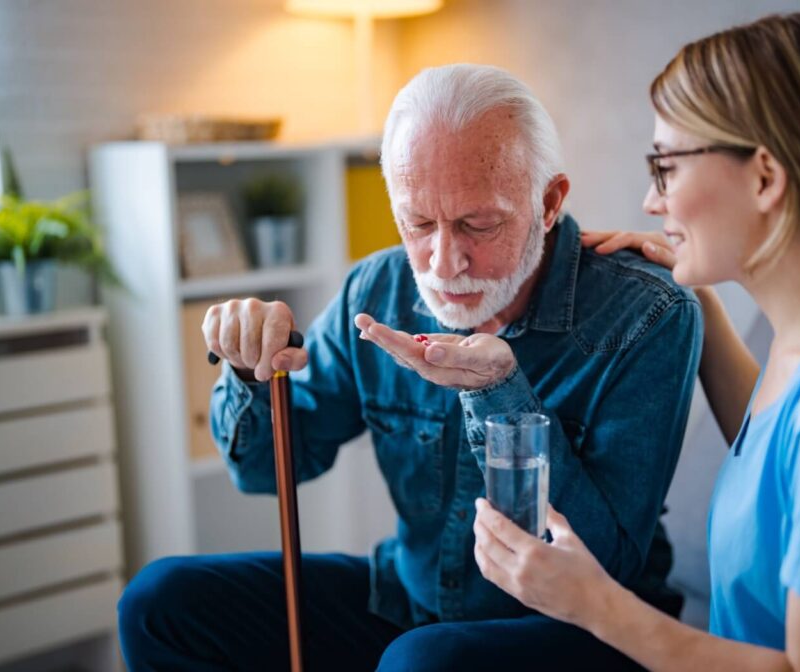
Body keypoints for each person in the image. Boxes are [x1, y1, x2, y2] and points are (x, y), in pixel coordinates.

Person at [116, 64, 703, 671]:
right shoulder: (377, 288)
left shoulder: (647, 313)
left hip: (584, 628)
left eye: (480, 223)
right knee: (158, 603)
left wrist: (502, 395)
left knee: (422, 661)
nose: (445, 262)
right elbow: (265, 470)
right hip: (417, 603)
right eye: (418, 223)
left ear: (549, 201)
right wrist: (248, 371)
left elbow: (607, 559)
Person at [473, 13, 800, 671]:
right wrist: (701, 303)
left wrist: (596, 605)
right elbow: (776, 461)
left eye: (665, 168)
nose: (649, 201)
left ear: (764, 177)